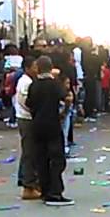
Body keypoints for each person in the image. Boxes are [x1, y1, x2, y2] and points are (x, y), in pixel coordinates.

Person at [25, 56, 71, 206]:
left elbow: (28, 104)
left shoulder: (34, 85)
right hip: (52, 124)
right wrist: (64, 112)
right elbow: (66, 97)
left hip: (37, 125)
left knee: (41, 158)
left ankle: (45, 190)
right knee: (57, 159)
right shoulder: (55, 84)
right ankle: (55, 192)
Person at [13, 54, 41, 200]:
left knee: (31, 151)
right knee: (29, 151)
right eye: (35, 67)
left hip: (28, 117)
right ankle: (28, 184)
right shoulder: (25, 82)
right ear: (27, 68)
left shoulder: (30, 80)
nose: (37, 69)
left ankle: (28, 180)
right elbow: (25, 101)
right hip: (26, 118)